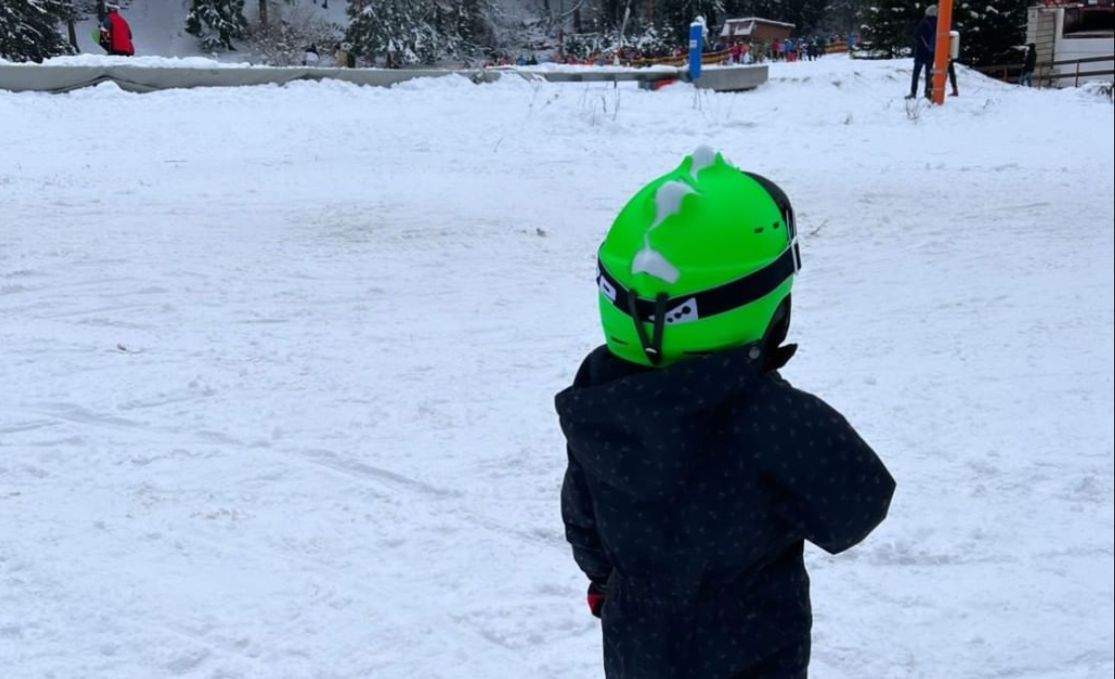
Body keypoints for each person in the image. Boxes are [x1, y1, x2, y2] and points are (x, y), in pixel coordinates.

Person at [556, 147, 896, 679]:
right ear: (770, 306)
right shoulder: (773, 419)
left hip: (637, 647)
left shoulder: (600, 404)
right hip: (750, 652)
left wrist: (605, 582)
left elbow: (582, 518)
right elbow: (858, 505)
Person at [908, 5, 937, 99]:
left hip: (921, 51)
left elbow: (916, 35)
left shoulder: (924, 22)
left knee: (916, 73)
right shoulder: (938, 23)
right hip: (931, 53)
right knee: (929, 74)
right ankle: (927, 92)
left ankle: (913, 92)